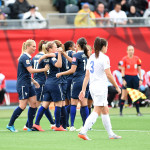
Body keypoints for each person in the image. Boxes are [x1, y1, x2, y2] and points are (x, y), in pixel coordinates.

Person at [78, 37, 122, 140]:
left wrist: (83, 89)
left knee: (105, 110)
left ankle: (111, 134)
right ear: (103, 47)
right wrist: (116, 86)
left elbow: (87, 75)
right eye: (107, 46)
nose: (107, 48)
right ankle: (83, 131)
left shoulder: (92, 57)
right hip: (100, 88)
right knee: (97, 110)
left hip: (93, 87)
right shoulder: (104, 57)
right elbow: (109, 74)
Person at [6, 39, 49, 132]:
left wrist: (34, 81)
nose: (35, 48)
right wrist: (43, 69)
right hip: (23, 85)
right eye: (33, 46)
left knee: (34, 103)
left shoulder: (28, 57)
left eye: (35, 46)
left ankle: (29, 126)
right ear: (27, 47)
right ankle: (10, 124)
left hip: (29, 84)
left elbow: (26, 73)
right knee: (22, 106)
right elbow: (31, 70)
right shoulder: (24, 57)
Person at [56, 37, 89, 131]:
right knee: (84, 104)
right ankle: (85, 125)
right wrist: (64, 54)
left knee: (73, 103)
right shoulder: (87, 54)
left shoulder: (76, 55)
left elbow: (73, 69)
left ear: (77, 45)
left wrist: (61, 73)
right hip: (86, 81)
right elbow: (73, 61)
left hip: (77, 81)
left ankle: (72, 126)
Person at [33, 41, 66, 131]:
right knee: (58, 104)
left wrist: (45, 56)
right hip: (55, 83)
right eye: (55, 47)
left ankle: (36, 124)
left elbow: (40, 64)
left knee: (44, 105)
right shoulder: (52, 57)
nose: (56, 48)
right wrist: (59, 54)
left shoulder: (44, 58)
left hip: (47, 83)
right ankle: (58, 126)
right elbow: (59, 64)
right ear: (50, 49)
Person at [23, 40, 55, 131]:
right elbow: (47, 71)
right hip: (41, 82)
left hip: (36, 81)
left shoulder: (35, 57)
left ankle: (52, 123)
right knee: (36, 105)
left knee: (45, 104)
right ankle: (28, 125)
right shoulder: (45, 58)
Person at [120, 45, 143, 116]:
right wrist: (123, 79)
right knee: (124, 95)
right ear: (127, 51)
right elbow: (122, 70)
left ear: (134, 51)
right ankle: (120, 112)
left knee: (135, 95)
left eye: (132, 50)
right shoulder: (124, 59)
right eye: (129, 50)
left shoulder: (137, 59)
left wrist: (140, 79)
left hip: (135, 78)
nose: (131, 51)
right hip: (127, 78)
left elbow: (139, 70)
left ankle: (138, 112)